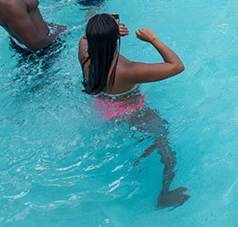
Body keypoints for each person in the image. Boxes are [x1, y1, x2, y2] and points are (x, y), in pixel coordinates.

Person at [78, 13, 189, 208]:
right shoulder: (128, 70)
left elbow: (85, 38)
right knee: (163, 141)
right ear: (114, 40)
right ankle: (165, 194)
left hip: (102, 107)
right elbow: (177, 66)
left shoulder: (85, 57)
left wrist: (109, 28)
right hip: (131, 111)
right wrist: (152, 39)